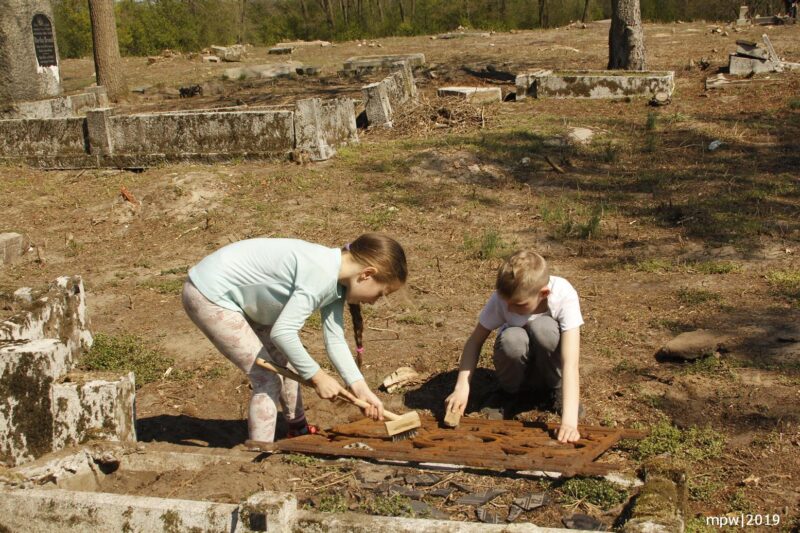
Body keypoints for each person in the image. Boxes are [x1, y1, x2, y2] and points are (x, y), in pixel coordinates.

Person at [182, 233, 407, 443]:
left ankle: (296, 429)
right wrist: (318, 377)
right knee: (267, 378)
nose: (375, 301)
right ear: (367, 274)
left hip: (247, 300)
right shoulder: (321, 272)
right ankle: (260, 452)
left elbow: (335, 340)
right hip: (210, 294)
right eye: (380, 294)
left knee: (288, 361)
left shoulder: (338, 280)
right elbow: (283, 333)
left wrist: (361, 389)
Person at [444, 250, 584, 443]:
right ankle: (510, 393)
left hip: (551, 367)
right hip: (518, 365)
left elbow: (570, 362)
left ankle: (555, 391)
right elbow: (475, 341)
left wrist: (569, 421)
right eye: (506, 303)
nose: (509, 309)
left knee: (544, 328)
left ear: (544, 293)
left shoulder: (563, 294)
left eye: (518, 304)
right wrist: (462, 387)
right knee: (512, 338)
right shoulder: (504, 299)